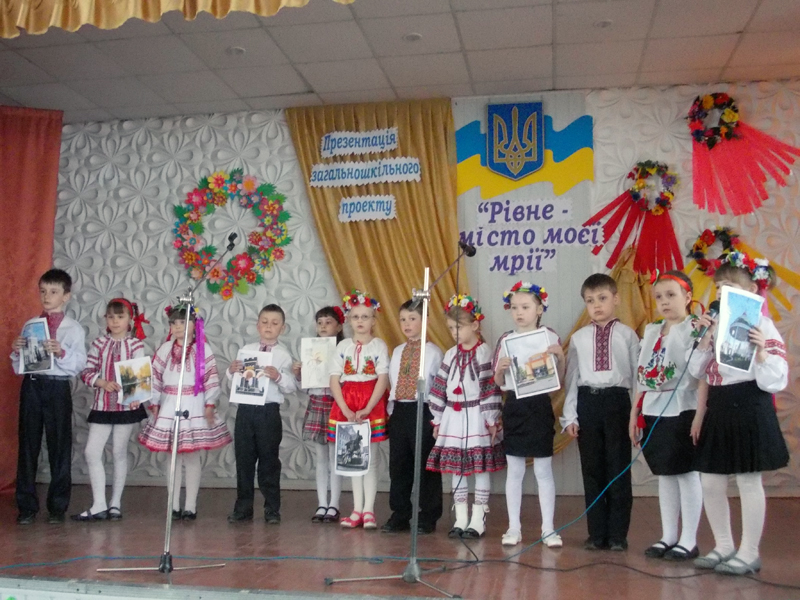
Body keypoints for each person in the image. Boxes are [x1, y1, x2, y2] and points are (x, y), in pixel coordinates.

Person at [689, 253, 789, 575]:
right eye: (718, 287)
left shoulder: (763, 325)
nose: (721, 292)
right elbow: (696, 372)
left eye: (729, 286)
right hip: (719, 404)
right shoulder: (714, 323)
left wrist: (761, 353)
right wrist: (704, 338)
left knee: (748, 479)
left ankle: (749, 551)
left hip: (749, 403)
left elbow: (776, 380)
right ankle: (723, 545)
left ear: (751, 290)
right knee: (711, 479)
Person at [562, 274, 639, 551]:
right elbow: (572, 377)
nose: (596, 305)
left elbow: (638, 378)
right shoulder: (579, 338)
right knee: (592, 469)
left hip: (618, 403)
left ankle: (618, 535)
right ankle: (596, 533)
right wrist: (570, 415)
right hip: (588, 402)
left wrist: (636, 416)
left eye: (602, 298)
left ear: (615, 299)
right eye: (590, 300)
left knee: (618, 468)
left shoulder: (628, 335)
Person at [630, 271, 703, 560]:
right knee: (665, 474)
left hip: (682, 406)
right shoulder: (651, 330)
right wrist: (634, 412)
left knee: (686, 473)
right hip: (652, 408)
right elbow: (641, 376)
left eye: (671, 295)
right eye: (659, 297)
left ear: (687, 297)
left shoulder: (693, 328)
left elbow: (698, 372)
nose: (664, 302)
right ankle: (669, 535)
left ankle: (689, 539)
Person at [138, 304, 231, 520]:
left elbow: (211, 377)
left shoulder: (203, 349)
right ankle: (173, 505)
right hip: (170, 403)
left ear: (195, 324)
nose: (178, 326)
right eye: (174, 323)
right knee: (172, 458)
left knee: (191, 456)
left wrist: (210, 404)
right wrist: (154, 401)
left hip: (193, 403)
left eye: (183, 322)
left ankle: (190, 506)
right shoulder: (165, 348)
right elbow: (155, 376)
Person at [11, 268, 87, 525]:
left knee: (59, 445)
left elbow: (79, 364)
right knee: (28, 445)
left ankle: (57, 506)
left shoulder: (73, 329)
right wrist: (17, 350)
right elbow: (21, 366)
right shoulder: (31, 324)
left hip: (57, 388)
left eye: (53, 292)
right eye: (43, 291)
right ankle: (26, 506)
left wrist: (61, 352)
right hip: (33, 385)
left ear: (66, 296)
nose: (47, 296)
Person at [427, 294, 505, 539]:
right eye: (451, 328)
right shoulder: (450, 354)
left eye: (459, 327)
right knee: (457, 469)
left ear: (475, 325)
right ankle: (460, 517)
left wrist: (491, 419)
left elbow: (490, 387)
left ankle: (478, 518)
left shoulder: (484, 353)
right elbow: (439, 387)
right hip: (453, 416)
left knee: (479, 468)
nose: (455, 333)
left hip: (476, 414)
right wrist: (438, 419)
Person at [494, 282, 564, 548]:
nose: (519, 312)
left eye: (525, 307)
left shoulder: (549, 336)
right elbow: (499, 382)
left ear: (539, 309)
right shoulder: (506, 340)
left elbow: (559, 380)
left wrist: (560, 357)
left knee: (543, 469)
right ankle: (514, 527)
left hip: (539, 406)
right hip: (515, 405)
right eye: (514, 308)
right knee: (515, 469)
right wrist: (501, 370)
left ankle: (548, 529)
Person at [73, 298, 149, 521]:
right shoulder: (99, 344)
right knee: (92, 451)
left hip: (126, 407)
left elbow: (139, 376)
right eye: (111, 317)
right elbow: (86, 371)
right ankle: (99, 503)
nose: (115, 321)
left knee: (118, 452)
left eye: (120, 317)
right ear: (105, 319)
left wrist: (136, 397)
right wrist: (102, 382)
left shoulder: (135, 345)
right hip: (102, 405)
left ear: (129, 320)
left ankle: (115, 503)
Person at [228, 304, 297, 524]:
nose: (269, 327)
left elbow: (291, 386)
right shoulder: (246, 350)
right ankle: (243, 508)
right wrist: (231, 371)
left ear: (282, 328)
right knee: (244, 460)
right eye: (265, 322)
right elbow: (235, 380)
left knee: (269, 461)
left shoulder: (283, 355)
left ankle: (272, 509)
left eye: (275, 323)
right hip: (245, 410)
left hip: (268, 412)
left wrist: (278, 376)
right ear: (257, 325)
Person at [328, 290, 390, 530]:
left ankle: (369, 511)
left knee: (370, 460)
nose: (360, 321)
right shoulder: (343, 346)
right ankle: (356, 510)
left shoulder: (378, 345)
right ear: (349, 320)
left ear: (374, 320)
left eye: (365, 316)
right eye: (356, 317)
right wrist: (344, 408)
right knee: (353, 459)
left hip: (370, 402)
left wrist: (368, 407)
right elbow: (334, 379)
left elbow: (382, 378)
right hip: (347, 402)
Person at [381, 300, 444, 535]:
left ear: (425, 320)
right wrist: (392, 413)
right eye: (403, 320)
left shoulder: (434, 352)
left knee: (427, 465)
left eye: (413, 319)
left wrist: (436, 418)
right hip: (400, 411)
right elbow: (393, 382)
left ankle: (428, 516)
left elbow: (439, 386)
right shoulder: (398, 351)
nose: (407, 324)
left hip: (424, 409)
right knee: (399, 465)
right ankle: (400, 514)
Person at [293, 306, 345, 524]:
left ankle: (334, 504)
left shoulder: (344, 349)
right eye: (320, 323)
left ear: (339, 327)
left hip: (336, 405)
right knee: (321, 457)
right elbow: (305, 386)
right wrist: (299, 374)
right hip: (316, 402)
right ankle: (322, 503)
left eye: (328, 322)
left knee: (335, 457)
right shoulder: (310, 349)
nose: (323, 326)